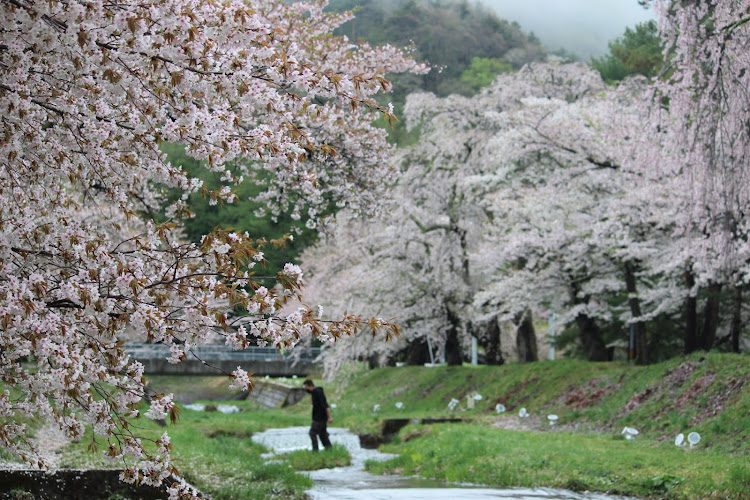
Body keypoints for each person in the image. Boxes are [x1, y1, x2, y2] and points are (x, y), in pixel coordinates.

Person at [303, 379, 332, 451]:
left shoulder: (317, 392)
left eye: (306, 387)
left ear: (310, 386)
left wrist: (329, 417)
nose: (306, 389)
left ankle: (315, 450)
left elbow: (325, 406)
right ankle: (329, 449)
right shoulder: (314, 393)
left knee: (312, 433)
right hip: (319, 418)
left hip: (319, 418)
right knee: (323, 435)